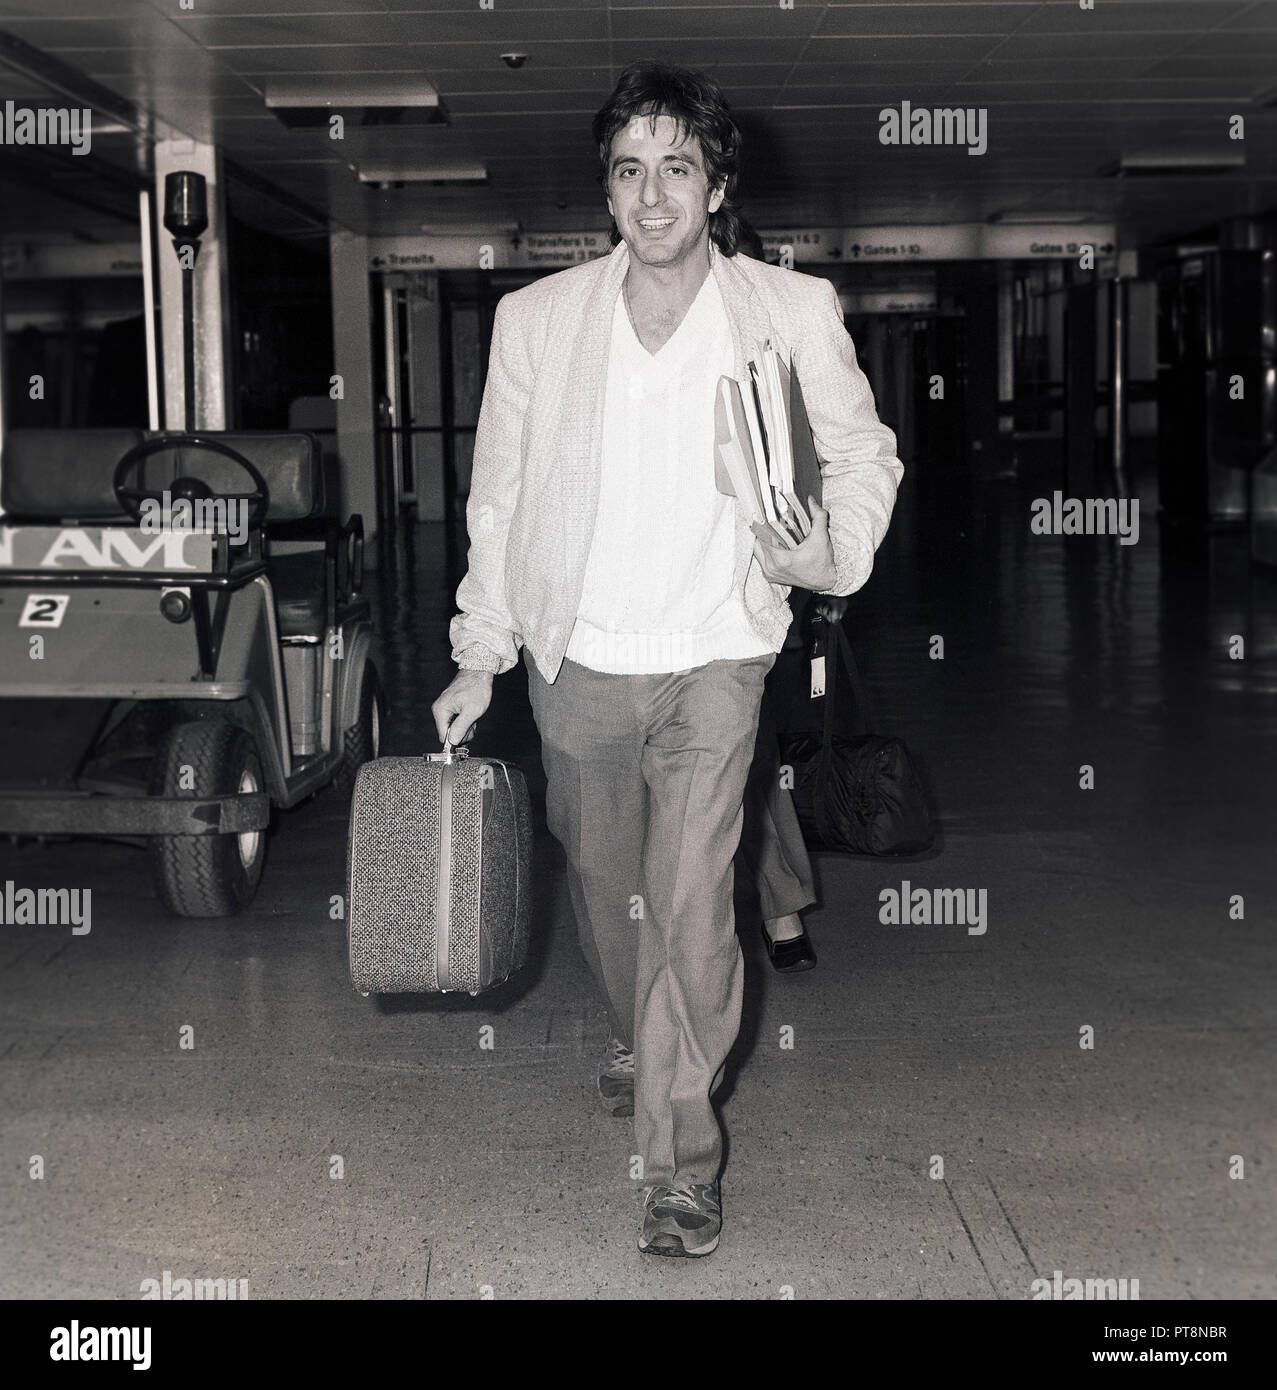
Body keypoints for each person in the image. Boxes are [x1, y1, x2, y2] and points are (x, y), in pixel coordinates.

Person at [431, 61, 902, 1258]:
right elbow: (500, 500)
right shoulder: (536, 322)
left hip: (717, 650)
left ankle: (678, 1163)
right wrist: (480, 653)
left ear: (716, 183)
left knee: (693, 905)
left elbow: (862, 453)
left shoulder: (788, 313)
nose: (652, 196)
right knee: (610, 900)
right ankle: (642, 1039)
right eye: (629, 171)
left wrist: (824, 551)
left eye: (676, 168)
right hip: (576, 656)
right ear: (607, 189)